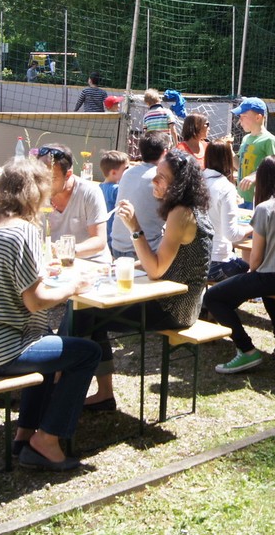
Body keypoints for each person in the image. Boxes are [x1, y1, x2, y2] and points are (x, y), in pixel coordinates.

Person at [0, 156, 101, 470]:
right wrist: (73, 287)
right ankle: (48, 439)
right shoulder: (22, 231)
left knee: (46, 339)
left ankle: (25, 433)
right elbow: (36, 302)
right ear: (36, 193)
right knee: (87, 353)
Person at [74, 150, 214, 410]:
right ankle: (97, 392)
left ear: (178, 184)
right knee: (86, 312)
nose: (154, 182)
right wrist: (118, 266)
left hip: (175, 308)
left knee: (84, 313)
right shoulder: (189, 209)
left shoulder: (181, 213)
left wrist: (134, 228)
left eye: (161, 177)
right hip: (181, 302)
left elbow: (156, 270)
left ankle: (66, 388)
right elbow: (164, 260)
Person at [204, 156, 275, 374]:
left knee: (213, 297)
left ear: (262, 181)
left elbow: (254, 261)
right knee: (266, 281)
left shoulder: (265, 209)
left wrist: (247, 279)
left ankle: (246, 350)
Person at [35, 145, 111, 263]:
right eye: (39, 177)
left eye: (51, 178)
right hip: (52, 263)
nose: (43, 183)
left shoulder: (90, 192)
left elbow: (99, 240)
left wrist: (66, 251)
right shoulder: (35, 191)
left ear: (68, 175)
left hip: (91, 263)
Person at [110, 133, 168, 257]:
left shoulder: (127, 173)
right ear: (165, 152)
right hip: (144, 250)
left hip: (117, 246)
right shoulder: (160, 177)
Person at [203, 139, 252, 282]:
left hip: (195, 262)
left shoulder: (196, 181)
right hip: (217, 263)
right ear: (227, 160)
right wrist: (254, 226)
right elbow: (232, 234)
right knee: (252, 271)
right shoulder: (225, 187)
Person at [233, 97, 275, 206]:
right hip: (241, 197)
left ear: (258, 117)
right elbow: (239, 166)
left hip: (259, 199)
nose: (240, 121)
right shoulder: (246, 139)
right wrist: (227, 150)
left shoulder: (269, 139)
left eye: (244, 116)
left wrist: (255, 176)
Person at [99, 150, 129, 244]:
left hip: (104, 234)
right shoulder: (117, 190)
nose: (128, 172)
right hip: (114, 236)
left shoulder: (99, 187)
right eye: (125, 169)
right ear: (113, 173)